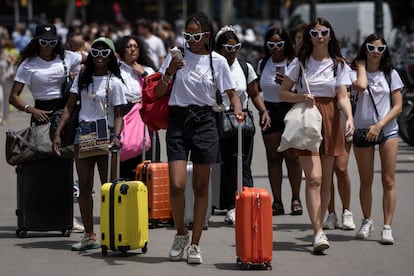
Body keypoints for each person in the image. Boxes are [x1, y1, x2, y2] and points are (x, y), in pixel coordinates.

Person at [156, 12, 243, 264]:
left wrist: (236, 107)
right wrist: (169, 72)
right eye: (187, 35)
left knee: (201, 186)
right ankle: (180, 234)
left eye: (196, 35)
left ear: (206, 35)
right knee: (178, 183)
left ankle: (195, 244)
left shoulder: (217, 61)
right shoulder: (176, 57)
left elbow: (231, 94)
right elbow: (160, 91)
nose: (191, 40)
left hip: (205, 122)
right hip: (178, 121)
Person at [279, 18, 354, 252]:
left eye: (324, 32)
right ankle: (318, 231)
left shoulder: (338, 64)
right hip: (307, 118)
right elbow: (283, 93)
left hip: (331, 117)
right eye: (315, 32)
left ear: (330, 36)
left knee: (326, 180)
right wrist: (300, 97)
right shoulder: (299, 63)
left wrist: (349, 117)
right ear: (309, 36)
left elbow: (342, 95)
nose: (320, 36)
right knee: (314, 178)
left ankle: (320, 226)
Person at [8, 23, 85, 233]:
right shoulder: (28, 64)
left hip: (65, 113)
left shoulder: (67, 57)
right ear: (36, 42)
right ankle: (40, 214)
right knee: (43, 164)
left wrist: (81, 73)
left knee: (64, 165)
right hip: (40, 113)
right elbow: (13, 97)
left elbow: (96, 58)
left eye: (52, 42)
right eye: (44, 42)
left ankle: (66, 217)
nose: (48, 46)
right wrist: (31, 110)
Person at [53, 37, 127, 251]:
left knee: (107, 187)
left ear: (111, 56)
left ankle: (111, 231)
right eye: (96, 52)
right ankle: (89, 235)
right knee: (85, 186)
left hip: (106, 133)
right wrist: (58, 132)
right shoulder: (82, 79)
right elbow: (69, 107)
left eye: (105, 53)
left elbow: (119, 114)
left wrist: (117, 136)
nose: (100, 57)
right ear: (91, 54)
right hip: (84, 132)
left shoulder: (115, 82)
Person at [214, 25, 271, 224]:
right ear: (219, 48)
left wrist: (264, 111)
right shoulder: (214, 66)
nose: (232, 51)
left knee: (243, 162)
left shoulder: (245, 67)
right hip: (221, 118)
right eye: (228, 48)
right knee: (227, 163)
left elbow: (254, 93)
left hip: (242, 118)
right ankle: (230, 204)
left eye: (235, 47)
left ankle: (246, 200)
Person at [350, 33, 403, 245]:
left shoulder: (390, 74)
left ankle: (387, 227)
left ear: (385, 52)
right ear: (365, 48)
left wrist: (380, 125)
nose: (375, 52)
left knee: (388, 179)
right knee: (366, 180)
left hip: (387, 130)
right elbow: (359, 87)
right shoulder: (353, 73)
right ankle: (367, 220)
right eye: (371, 47)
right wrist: (361, 66)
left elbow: (398, 106)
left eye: (380, 49)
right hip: (362, 130)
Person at [257, 27, 303, 216]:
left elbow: (304, 89)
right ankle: (277, 201)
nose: (275, 48)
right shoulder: (262, 63)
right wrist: (263, 110)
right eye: (271, 44)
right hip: (270, 110)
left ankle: (295, 198)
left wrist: (288, 84)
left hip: (290, 109)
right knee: (274, 158)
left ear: (286, 44)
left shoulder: (294, 63)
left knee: (292, 157)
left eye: (279, 44)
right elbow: (255, 90)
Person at [114, 35, 160, 179]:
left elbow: (157, 92)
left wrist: (144, 74)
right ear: (122, 51)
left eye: (135, 46)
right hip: (126, 117)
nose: (133, 49)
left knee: (149, 163)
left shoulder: (149, 70)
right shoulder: (117, 71)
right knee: (126, 163)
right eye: (129, 46)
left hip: (146, 118)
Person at [323, 109, 356, 230]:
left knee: (341, 168)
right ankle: (331, 214)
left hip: (343, 115)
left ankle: (347, 211)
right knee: (327, 172)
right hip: (324, 113)